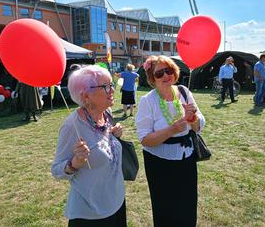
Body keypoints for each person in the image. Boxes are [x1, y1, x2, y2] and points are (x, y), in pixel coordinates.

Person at [51, 65, 126, 227]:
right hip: (90, 214)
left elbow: (104, 144)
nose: (112, 90)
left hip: (116, 201)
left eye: (111, 85)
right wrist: (74, 163)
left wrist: (115, 135)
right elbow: (56, 170)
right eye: (106, 87)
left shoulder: (107, 113)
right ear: (86, 96)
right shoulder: (72, 126)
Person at [135, 55, 205, 227]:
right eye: (160, 73)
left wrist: (193, 117)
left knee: (188, 204)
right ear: (152, 78)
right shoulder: (148, 101)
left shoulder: (183, 91)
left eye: (169, 70)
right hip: (160, 163)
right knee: (166, 209)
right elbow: (145, 139)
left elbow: (199, 126)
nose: (166, 76)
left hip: (186, 157)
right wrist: (172, 129)